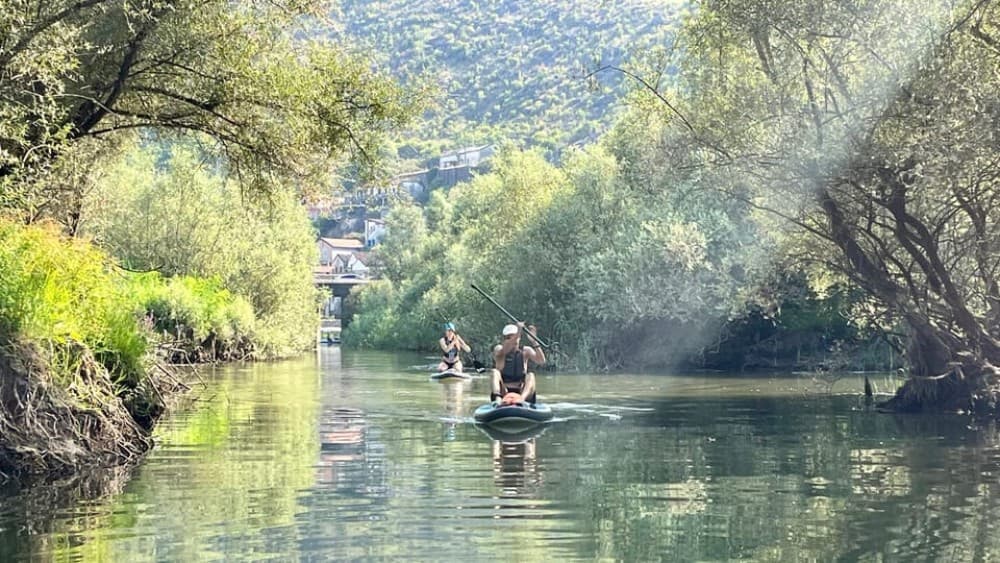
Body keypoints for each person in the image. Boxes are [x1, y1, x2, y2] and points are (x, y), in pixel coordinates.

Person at [491, 322, 546, 405]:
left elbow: (541, 361)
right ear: (504, 339)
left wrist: (534, 341)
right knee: (494, 372)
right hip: (503, 392)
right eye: (508, 337)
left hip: (521, 392)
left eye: (513, 336)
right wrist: (518, 331)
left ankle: (521, 400)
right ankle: (497, 398)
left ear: (519, 338)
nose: (512, 339)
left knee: (531, 375)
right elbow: (507, 347)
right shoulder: (499, 350)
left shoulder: (526, 351)